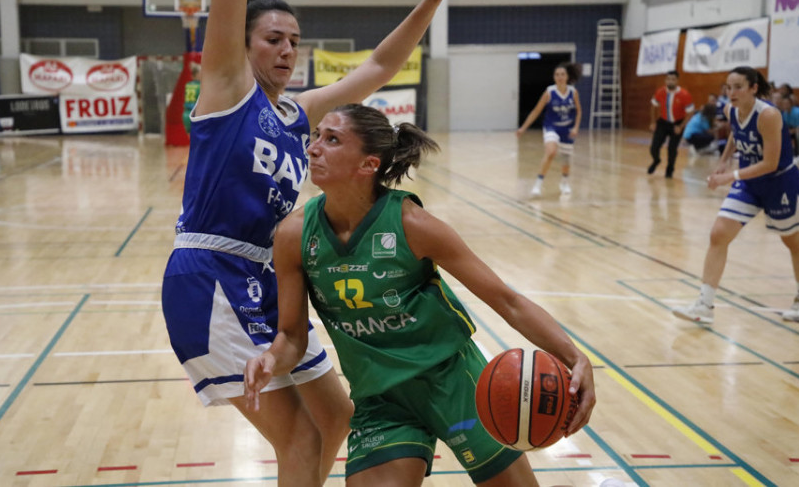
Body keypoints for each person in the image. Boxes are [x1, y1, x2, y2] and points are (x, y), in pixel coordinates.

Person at [160, 0, 450, 486]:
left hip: (267, 281)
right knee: (300, 438)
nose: (287, 51)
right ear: (242, 47)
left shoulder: (296, 115)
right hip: (209, 282)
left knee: (335, 418)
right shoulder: (228, 91)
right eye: (273, 39)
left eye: (294, 41)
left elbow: (379, 67)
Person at [245, 104, 596, 486]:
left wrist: (575, 357)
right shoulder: (294, 235)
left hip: (455, 383)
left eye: (332, 140)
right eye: (316, 136)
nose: (313, 148)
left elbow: (507, 300)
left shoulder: (413, 225)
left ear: (368, 165)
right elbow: (292, 338)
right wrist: (271, 359)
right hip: (380, 400)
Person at [671, 67, 799, 325]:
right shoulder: (730, 110)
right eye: (728, 87)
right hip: (749, 183)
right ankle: (705, 304)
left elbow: (770, 163)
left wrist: (730, 176)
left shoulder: (768, 115)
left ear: (753, 88)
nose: (731, 92)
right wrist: (724, 161)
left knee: (793, 241)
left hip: (780, 182)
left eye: (738, 87)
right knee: (719, 234)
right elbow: (736, 133)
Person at [516, 62, 582, 197]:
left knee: (565, 159)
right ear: (554, 77)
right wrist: (523, 128)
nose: (560, 77)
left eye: (562, 74)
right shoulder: (549, 92)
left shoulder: (573, 92)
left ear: (567, 76)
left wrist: (575, 127)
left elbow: (579, 111)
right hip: (552, 127)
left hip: (567, 129)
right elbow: (536, 111)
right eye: (557, 74)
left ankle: (564, 182)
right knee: (551, 152)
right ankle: (538, 185)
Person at [647, 70, 694, 178]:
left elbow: (690, 112)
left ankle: (670, 170)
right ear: (665, 80)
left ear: (677, 81)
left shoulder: (684, 95)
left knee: (672, 149)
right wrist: (653, 122)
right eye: (668, 79)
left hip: (677, 124)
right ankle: (656, 160)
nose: (670, 81)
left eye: (673, 79)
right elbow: (653, 106)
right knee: (654, 147)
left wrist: (681, 126)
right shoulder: (660, 92)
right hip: (663, 123)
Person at [182, 63, 201, 134]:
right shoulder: (201, 86)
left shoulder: (188, 85)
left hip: (186, 114)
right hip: (195, 114)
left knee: (190, 141)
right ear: (197, 74)